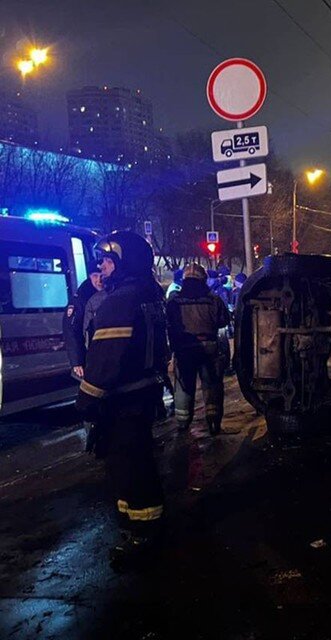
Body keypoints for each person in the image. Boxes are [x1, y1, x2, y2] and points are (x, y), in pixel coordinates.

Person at [76, 231, 169, 568]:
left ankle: (141, 536)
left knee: (128, 467)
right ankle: (146, 527)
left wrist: (86, 399)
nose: (102, 266)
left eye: (107, 260)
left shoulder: (120, 300)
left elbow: (105, 360)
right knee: (139, 462)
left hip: (122, 402)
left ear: (124, 261)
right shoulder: (149, 296)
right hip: (143, 396)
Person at [166, 263, 230, 435]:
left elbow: (168, 324)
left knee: (184, 387)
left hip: (184, 349)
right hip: (209, 347)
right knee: (212, 385)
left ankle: (182, 423)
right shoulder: (213, 300)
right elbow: (224, 320)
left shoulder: (174, 301)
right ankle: (214, 423)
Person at [63, 270, 103, 378]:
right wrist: (77, 362)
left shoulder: (107, 293)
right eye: (95, 276)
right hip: (87, 356)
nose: (99, 280)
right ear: (89, 276)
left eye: (101, 275)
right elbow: (71, 329)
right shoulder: (80, 298)